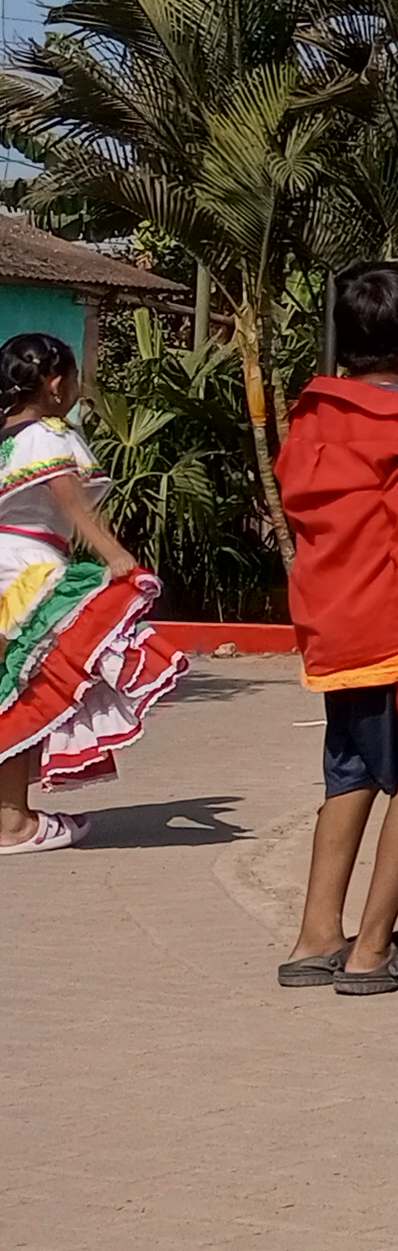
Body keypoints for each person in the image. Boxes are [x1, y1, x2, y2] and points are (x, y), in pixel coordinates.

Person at [275, 264, 398, 990]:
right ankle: (374, 947)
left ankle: (315, 936)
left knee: (349, 774)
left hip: (331, 626)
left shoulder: (311, 413)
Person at [0, 333, 183, 858]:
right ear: (56, 385)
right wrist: (118, 558)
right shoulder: (47, 435)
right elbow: (76, 506)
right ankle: (12, 821)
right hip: (28, 571)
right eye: (77, 378)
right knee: (28, 691)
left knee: (9, 687)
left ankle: (10, 813)